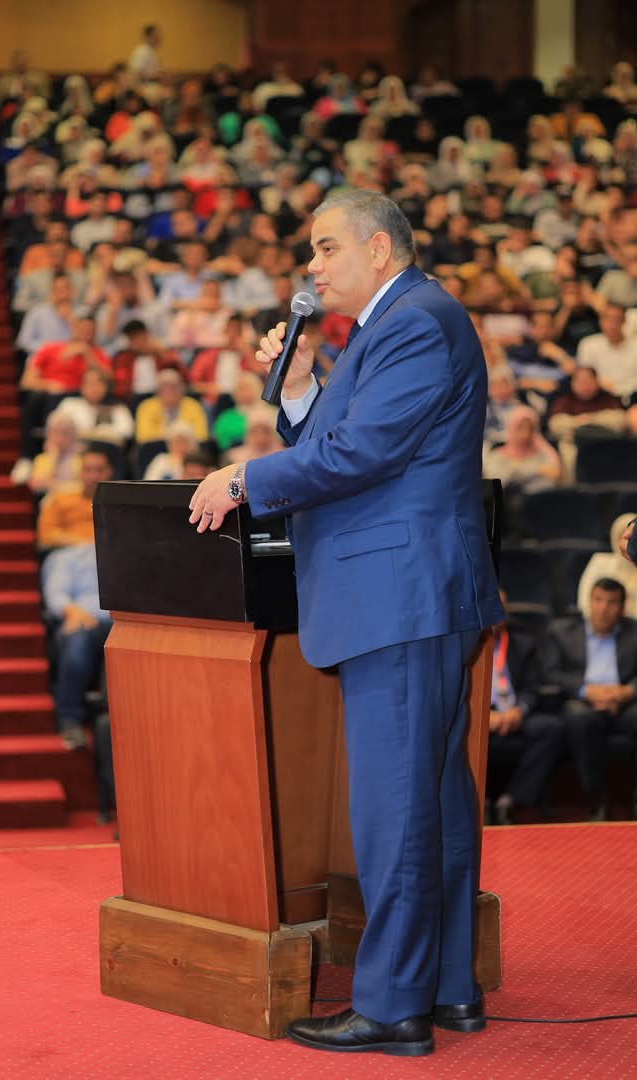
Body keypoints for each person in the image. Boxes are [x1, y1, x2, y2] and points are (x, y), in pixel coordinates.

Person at [187, 190, 503, 1056]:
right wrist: (298, 388)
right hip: (409, 593)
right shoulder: (392, 324)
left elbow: (363, 453)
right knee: (431, 802)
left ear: (380, 248)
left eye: (327, 248)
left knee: (396, 809)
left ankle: (395, 1004)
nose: (313, 266)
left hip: (400, 595)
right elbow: (346, 439)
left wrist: (244, 479)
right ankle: (448, 988)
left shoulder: (414, 321)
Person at [544, 578, 637, 820]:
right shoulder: (562, 632)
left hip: (625, 702)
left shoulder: (634, 631)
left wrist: (627, 692)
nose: (603, 608)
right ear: (589, 601)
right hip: (583, 701)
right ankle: (596, 799)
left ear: (623, 607)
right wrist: (586, 691)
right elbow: (550, 672)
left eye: (611, 602)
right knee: (579, 718)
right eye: (598, 600)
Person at [486, 593, 566, 825]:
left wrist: (519, 711)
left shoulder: (522, 643)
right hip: (481, 719)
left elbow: (532, 688)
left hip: (514, 714)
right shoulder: (464, 646)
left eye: (502, 607)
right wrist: (482, 716)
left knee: (551, 728)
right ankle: (478, 801)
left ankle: (510, 800)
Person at [42, 541, 112, 749]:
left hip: (124, 624)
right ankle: (69, 720)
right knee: (77, 643)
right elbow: (56, 595)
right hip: (82, 620)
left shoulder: (131, 558)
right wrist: (73, 612)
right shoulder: (69, 558)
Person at [36, 448, 112, 550]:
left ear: (109, 472)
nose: (94, 476)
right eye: (88, 470)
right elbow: (46, 534)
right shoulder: (60, 499)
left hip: (109, 553)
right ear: (80, 473)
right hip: (69, 551)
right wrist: (85, 544)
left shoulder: (121, 504)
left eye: (100, 470)